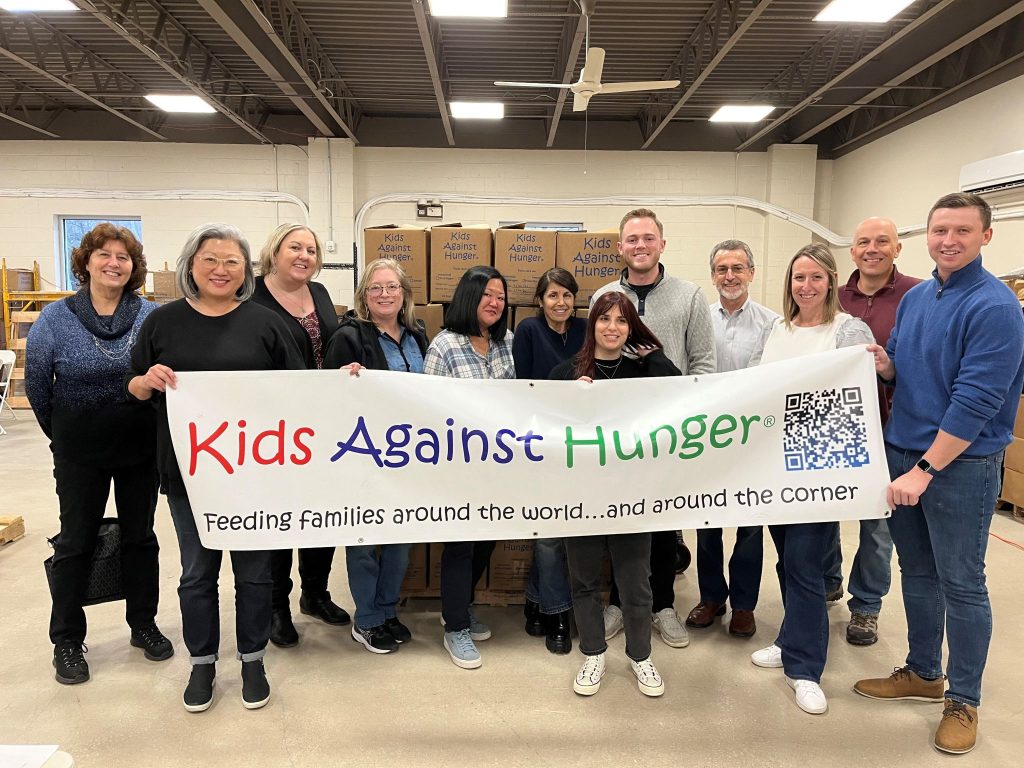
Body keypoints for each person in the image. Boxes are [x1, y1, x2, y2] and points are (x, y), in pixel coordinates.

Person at [854, 193, 1024, 755]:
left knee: (963, 585)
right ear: (925, 236)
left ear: (986, 237)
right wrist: (882, 365)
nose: (948, 240)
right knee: (918, 576)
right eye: (939, 230)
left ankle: (964, 698)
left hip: (957, 468)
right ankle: (924, 672)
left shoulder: (996, 306)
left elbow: (976, 401)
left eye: (962, 231)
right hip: (903, 455)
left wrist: (926, 468)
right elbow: (903, 367)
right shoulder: (920, 297)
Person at [127, 223, 303, 713]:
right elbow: (134, 388)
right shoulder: (161, 324)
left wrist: (348, 380)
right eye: (210, 259)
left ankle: (252, 660)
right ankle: (202, 662)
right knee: (197, 573)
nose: (221, 269)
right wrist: (145, 380)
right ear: (191, 265)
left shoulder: (266, 324)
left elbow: (302, 394)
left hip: (252, 474)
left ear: (245, 270)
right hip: (188, 473)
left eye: (232, 261)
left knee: (253, 574)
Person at [25, 223, 171, 686]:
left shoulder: (150, 316)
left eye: (123, 257)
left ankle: (142, 624)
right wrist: (64, 435)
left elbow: (166, 377)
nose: (113, 263)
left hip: (138, 445)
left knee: (139, 537)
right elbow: (36, 385)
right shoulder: (56, 318)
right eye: (104, 255)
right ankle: (67, 641)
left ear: (134, 267)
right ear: (86, 262)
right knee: (75, 542)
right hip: (79, 448)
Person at [748, 244, 873, 715]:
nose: (806, 286)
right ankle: (790, 637)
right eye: (798, 278)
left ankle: (805, 668)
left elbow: (852, 396)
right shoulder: (776, 329)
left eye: (816, 278)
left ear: (831, 281)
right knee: (786, 560)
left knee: (804, 565)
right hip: (775, 463)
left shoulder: (847, 329)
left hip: (819, 463)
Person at [591, 208, 716, 650]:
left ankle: (663, 604)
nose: (640, 245)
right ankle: (618, 603)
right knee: (616, 521)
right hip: (617, 434)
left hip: (667, 430)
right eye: (631, 239)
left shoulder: (690, 295)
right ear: (620, 247)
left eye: (648, 238)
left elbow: (702, 362)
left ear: (662, 244)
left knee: (662, 522)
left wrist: (688, 417)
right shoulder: (603, 295)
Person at [550, 291, 681, 697]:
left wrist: (651, 352)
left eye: (621, 321)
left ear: (631, 328)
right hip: (581, 498)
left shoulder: (644, 370)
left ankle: (641, 656)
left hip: (631, 497)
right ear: (591, 324)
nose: (612, 328)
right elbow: (545, 427)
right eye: (604, 319)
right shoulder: (567, 372)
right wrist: (575, 397)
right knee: (585, 581)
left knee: (635, 583)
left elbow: (686, 392)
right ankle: (593, 653)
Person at [323, 258, 428, 654]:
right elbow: (328, 398)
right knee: (365, 539)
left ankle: (386, 610)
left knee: (400, 536)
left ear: (404, 294)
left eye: (392, 287)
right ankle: (365, 619)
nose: (384, 294)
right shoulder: (348, 337)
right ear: (364, 296)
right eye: (375, 288)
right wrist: (344, 381)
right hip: (364, 456)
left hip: (410, 455)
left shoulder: (418, 335)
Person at [252, 223, 348, 648]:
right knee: (281, 514)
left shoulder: (321, 294)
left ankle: (315, 593)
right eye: (295, 247)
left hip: (322, 422)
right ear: (275, 251)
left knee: (322, 514)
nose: (304, 255)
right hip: (275, 426)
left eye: (310, 249)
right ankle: (277, 606)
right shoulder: (251, 296)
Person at [826, 217, 922, 646]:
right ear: (852, 250)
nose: (872, 249)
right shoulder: (833, 295)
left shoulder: (917, 296)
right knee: (821, 510)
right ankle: (828, 579)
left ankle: (866, 606)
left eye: (882, 242)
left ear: (897, 248)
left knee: (876, 523)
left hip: (888, 429)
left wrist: (888, 369)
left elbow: (916, 364)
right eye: (863, 241)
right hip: (832, 429)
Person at [686, 240, 778, 639]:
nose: (729, 276)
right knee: (706, 523)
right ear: (712, 275)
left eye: (737, 268)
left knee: (749, 527)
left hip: (751, 439)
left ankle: (744, 605)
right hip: (705, 437)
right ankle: (711, 598)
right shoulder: (700, 318)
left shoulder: (772, 324)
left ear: (751, 273)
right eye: (722, 269)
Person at [424, 265, 514, 670]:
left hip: (500, 464)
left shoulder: (506, 341)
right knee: (460, 544)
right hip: (459, 465)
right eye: (487, 295)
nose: (495, 303)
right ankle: (455, 626)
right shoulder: (445, 344)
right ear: (468, 298)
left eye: (500, 296)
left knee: (487, 539)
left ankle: (456, 607)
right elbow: (429, 407)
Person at [512, 267, 587, 654]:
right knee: (548, 533)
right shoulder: (528, 330)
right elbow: (525, 387)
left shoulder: (586, 329)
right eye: (553, 295)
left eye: (567, 295)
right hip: (540, 440)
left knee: (563, 531)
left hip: (577, 441)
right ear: (540, 300)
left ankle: (536, 599)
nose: (561, 303)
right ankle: (558, 612)